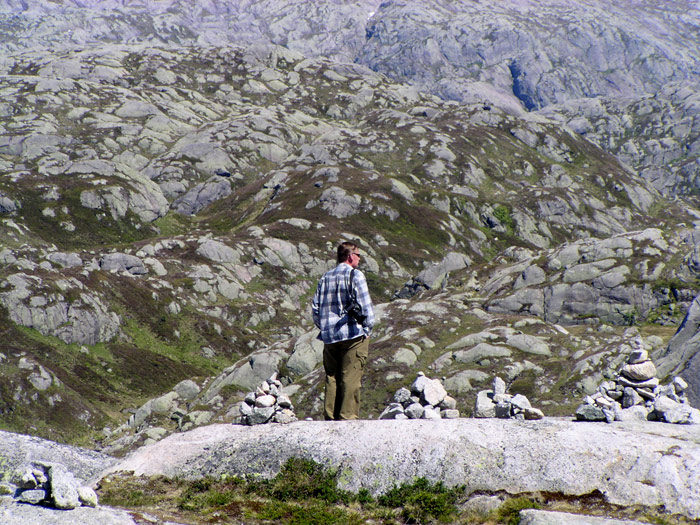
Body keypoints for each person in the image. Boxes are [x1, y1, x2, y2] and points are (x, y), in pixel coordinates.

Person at [312, 241, 375, 420]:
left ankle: (330, 419)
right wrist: (367, 329)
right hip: (353, 334)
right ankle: (347, 420)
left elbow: (315, 310)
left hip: (329, 337)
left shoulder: (325, 277)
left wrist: (325, 327)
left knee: (332, 378)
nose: (360, 259)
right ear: (350, 256)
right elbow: (366, 308)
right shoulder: (356, 275)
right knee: (351, 378)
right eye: (358, 255)